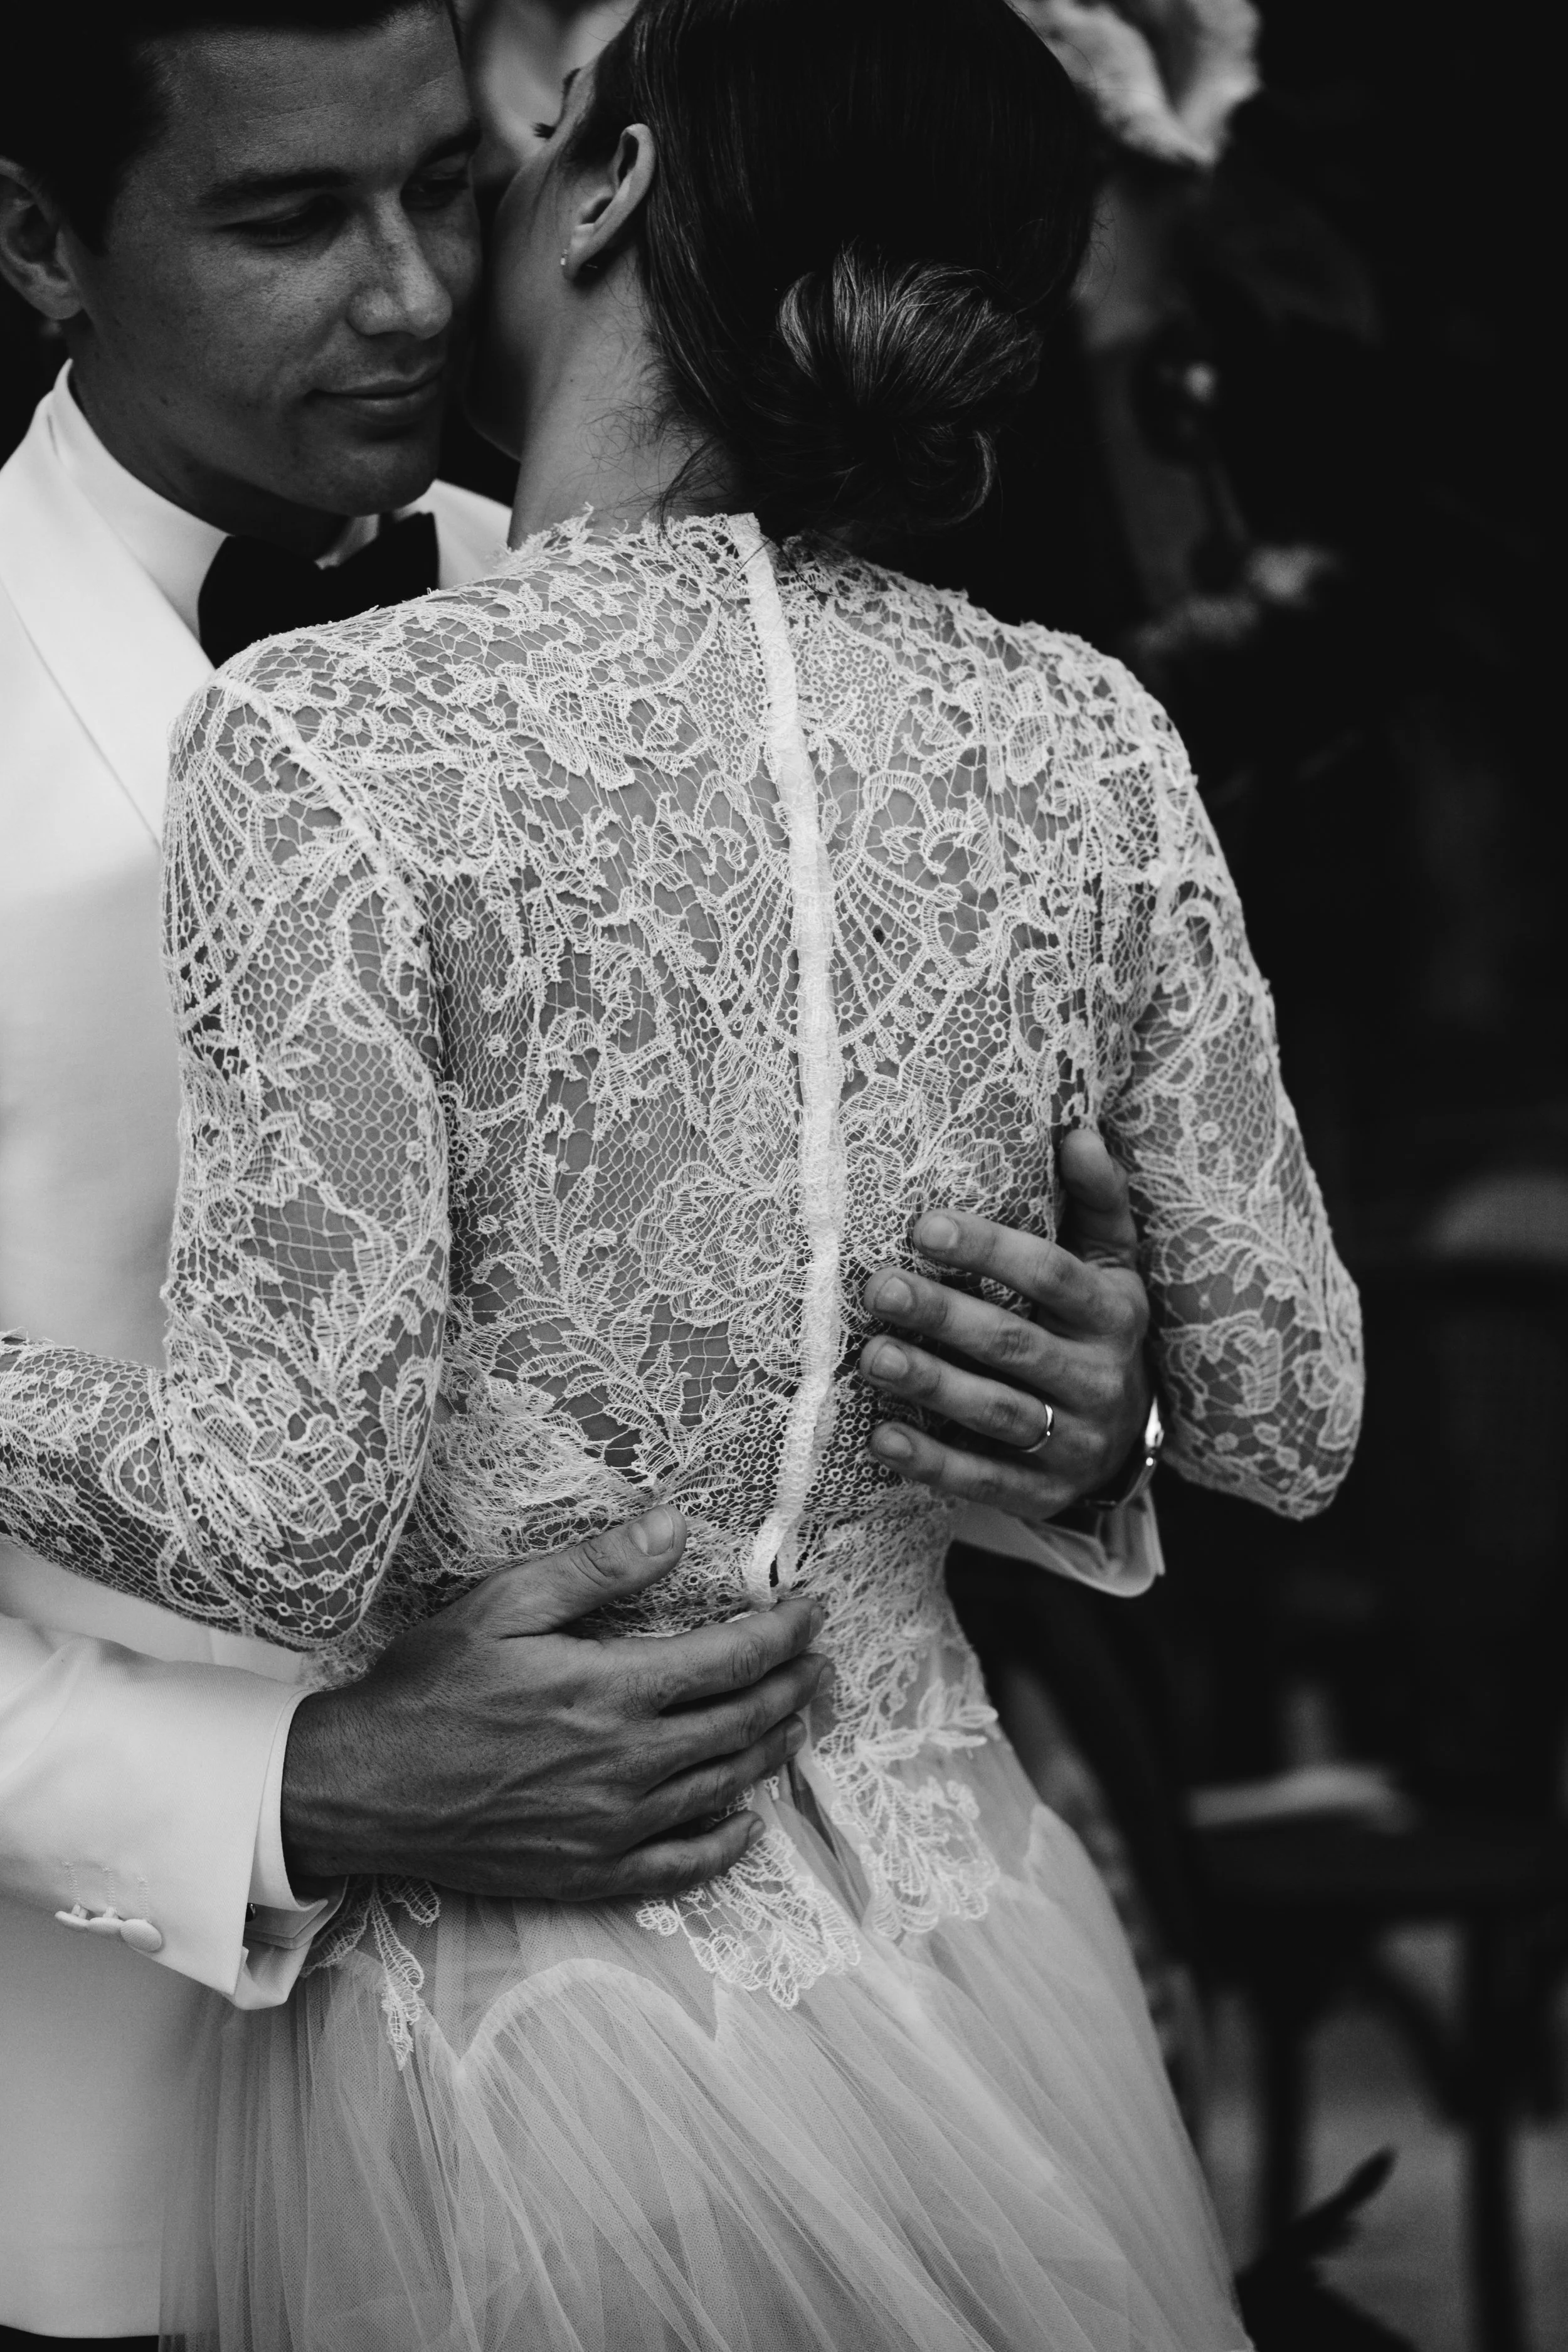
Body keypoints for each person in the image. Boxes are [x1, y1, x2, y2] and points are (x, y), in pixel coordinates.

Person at [0, 3, 1161, 2342]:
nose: (417, 291)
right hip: (85, 2170)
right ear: (42, 241)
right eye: (287, 217)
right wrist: (288, 1790)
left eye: (444, 184)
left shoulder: (726, 638)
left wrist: (1081, 1402)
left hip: (752, 2117)